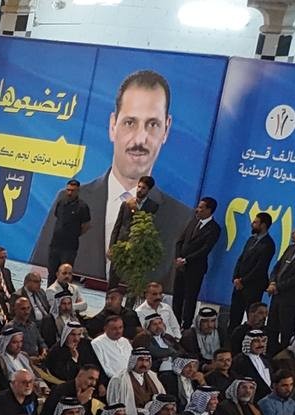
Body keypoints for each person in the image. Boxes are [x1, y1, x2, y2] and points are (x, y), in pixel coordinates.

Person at [30, 68, 193, 276]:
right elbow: (38, 271)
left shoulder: (181, 219)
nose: (140, 139)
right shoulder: (69, 199)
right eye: (130, 123)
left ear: (166, 129)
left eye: (152, 124)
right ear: (113, 125)